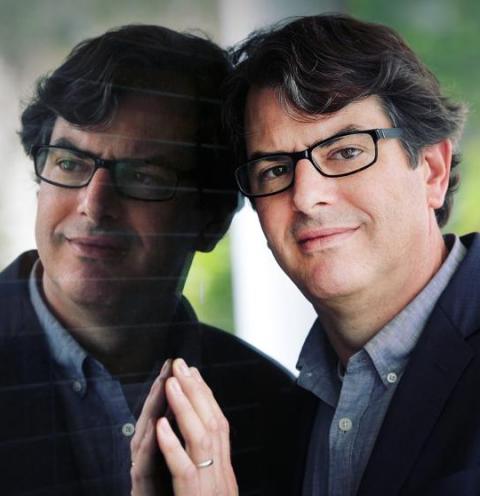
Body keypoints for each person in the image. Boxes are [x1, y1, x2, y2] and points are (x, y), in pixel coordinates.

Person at [149, 12, 478, 496]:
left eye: (345, 152)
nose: (305, 196)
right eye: (275, 169)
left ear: (432, 170)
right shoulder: (275, 411)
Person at [0, 24, 302, 496]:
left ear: (212, 219)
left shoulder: (278, 409)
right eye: (69, 163)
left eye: (142, 175)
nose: (93, 205)